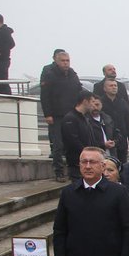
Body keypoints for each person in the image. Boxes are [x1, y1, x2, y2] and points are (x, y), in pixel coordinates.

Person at [39, 49, 82, 181]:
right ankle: (58, 171)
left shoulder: (72, 74)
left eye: (67, 60)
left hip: (72, 114)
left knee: (73, 143)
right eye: (63, 61)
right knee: (58, 145)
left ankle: (74, 170)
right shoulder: (49, 72)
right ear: (56, 61)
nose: (65, 63)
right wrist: (48, 114)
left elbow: (78, 90)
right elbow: (44, 95)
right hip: (56, 115)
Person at [61, 91, 109, 179]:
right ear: (85, 101)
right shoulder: (70, 118)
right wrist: (87, 154)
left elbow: (90, 139)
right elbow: (72, 141)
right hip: (77, 163)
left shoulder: (85, 118)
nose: (93, 105)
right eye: (92, 102)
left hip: (89, 160)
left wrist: (99, 149)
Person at [98, 77, 129, 163]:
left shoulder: (122, 102)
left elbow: (128, 122)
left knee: (122, 163)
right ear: (105, 88)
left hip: (121, 138)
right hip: (107, 139)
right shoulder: (100, 103)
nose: (114, 87)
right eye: (111, 86)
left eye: (115, 86)